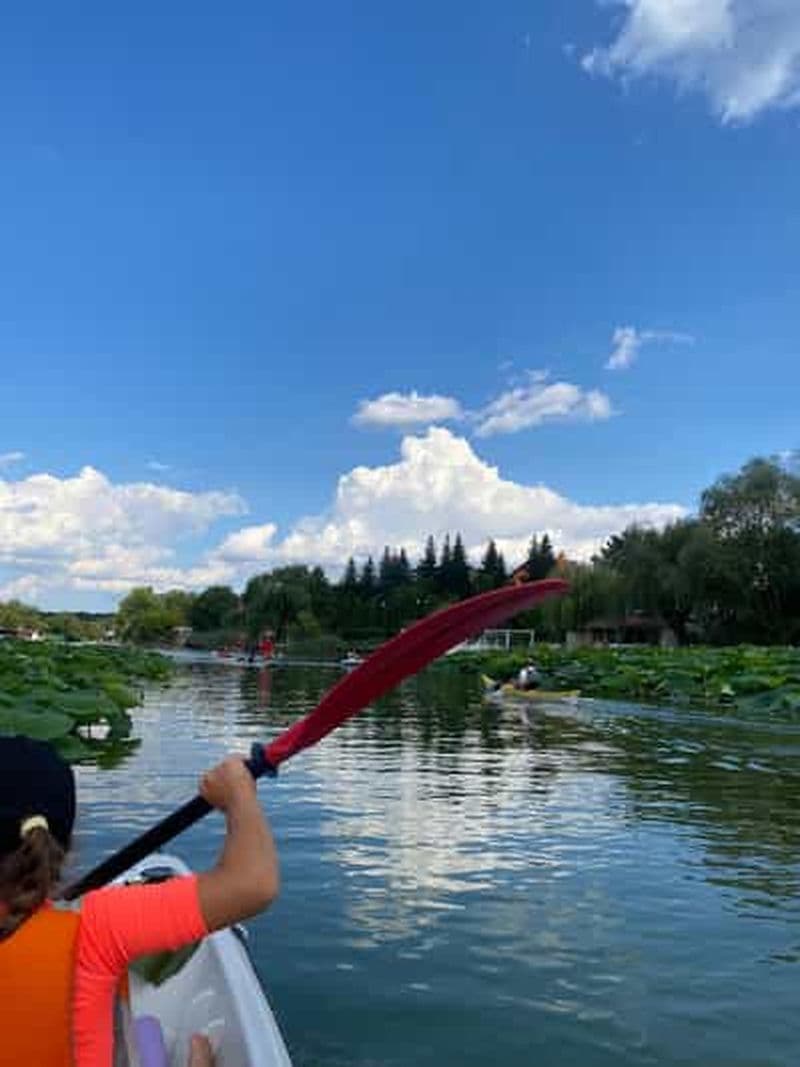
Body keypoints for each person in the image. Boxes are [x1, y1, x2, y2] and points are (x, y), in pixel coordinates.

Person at [0, 736, 279, 1067]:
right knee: (142, 1033)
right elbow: (253, 883)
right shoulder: (97, 926)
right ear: (63, 844)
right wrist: (238, 790)